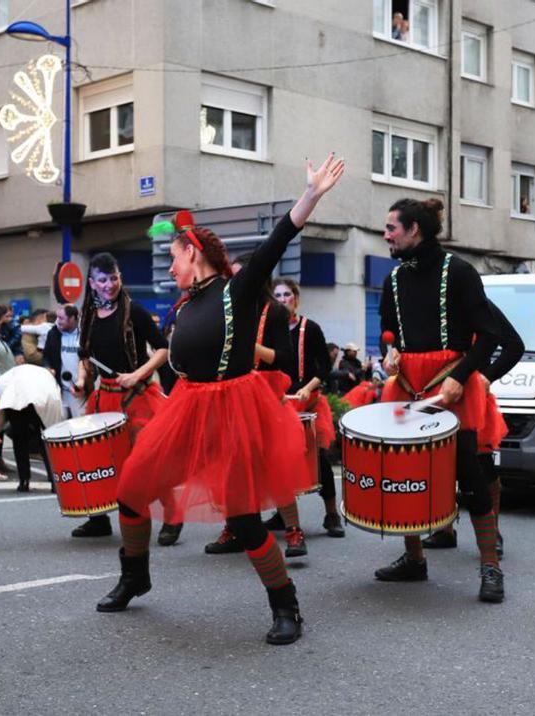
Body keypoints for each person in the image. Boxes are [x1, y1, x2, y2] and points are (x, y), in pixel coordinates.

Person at [95, 154, 344, 646]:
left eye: (173, 256)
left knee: (245, 516)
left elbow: (278, 239)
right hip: (186, 407)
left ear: (193, 253)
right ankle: (135, 575)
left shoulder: (240, 288)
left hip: (233, 411)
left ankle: (285, 603)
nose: (169, 265)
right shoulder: (186, 303)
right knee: (131, 489)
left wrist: (311, 194)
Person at [375, 197, 506, 603]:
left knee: (471, 478)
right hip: (408, 386)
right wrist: (389, 352)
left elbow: (489, 337)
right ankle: (414, 560)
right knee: (404, 476)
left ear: (414, 229)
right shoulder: (393, 279)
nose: (386, 235)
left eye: (391, 228)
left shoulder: (461, 272)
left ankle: (490, 567)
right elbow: (388, 329)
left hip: (452, 386)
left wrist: (461, 377)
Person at [72, 253, 177, 542]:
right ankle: (98, 518)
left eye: (114, 278)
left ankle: (172, 515)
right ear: (92, 283)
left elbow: (162, 349)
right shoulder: (89, 315)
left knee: (146, 462)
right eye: (103, 280)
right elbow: (85, 356)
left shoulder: (135, 312)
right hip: (103, 397)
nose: (110, 285)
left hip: (137, 397)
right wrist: (82, 381)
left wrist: (137, 374)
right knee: (97, 459)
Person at [202, 251, 302, 555]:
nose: (232, 281)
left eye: (237, 275)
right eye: (229, 275)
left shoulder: (274, 312)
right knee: (231, 468)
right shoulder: (226, 310)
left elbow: (286, 361)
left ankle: (294, 531)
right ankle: (236, 527)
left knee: (273, 467)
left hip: (265, 396)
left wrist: (252, 345)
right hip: (231, 396)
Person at [422, 300, 523, 556]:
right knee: (438, 464)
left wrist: (485, 377)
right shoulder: (423, 298)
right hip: (433, 394)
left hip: (471, 396)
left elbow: (514, 346)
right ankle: (443, 528)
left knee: (481, 464)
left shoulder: (480, 304)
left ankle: (493, 532)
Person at [262, 277, 346, 549]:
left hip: (306, 402)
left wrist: (308, 389)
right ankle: (281, 513)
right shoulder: (266, 330)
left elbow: (323, 368)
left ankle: (332, 513)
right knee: (278, 460)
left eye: (287, 294)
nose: (283, 299)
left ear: (296, 298)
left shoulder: (311, 329)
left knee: (318, 457)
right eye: (278, 295)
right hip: (279, 402)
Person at [0, 364, 63, 492]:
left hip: (14, 400)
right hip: (39, 400)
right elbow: (54, 399)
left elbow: (2, 393)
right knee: (44, 441)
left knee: (19, 441)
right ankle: (54, 481)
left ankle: (24, 481)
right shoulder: (45, 376)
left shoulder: (6, 377)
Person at [42, 303, 84, 418]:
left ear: (73, 318)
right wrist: (47, 367)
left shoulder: (85, 334)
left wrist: (85, 383)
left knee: (81, 427)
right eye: (57, 317)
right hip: (60, 390)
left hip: (79, 391)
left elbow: (92, 363)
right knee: (59, 427)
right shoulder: (54, 333)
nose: (58, 321)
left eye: (61, 318)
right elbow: (46, 356)